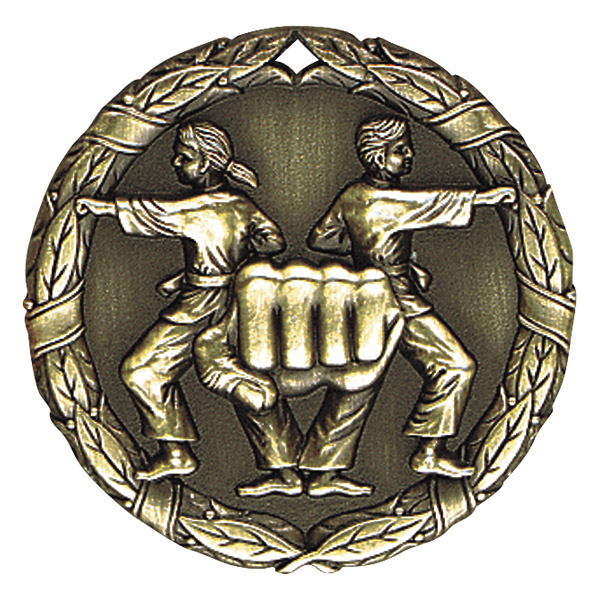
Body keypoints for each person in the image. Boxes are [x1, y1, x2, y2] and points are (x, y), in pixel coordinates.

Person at [305, 115, 517, 480]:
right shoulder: (388, 202)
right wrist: (486, 198)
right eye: (400, 150)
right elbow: (430, 203)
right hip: (400, 301)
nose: (410, 156)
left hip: (368, 298)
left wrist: (373, 255)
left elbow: (321, 238)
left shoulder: (352, 196)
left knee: (357, 383)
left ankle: (320, 468)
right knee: (456, 366)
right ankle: (428, 452)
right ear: (377, 156)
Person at [76, 120, 287, 482]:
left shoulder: (194, 209)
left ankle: (178, 453)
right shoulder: (242, 204)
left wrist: (100, 208)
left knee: (144, 370)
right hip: (231, 303)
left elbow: (155, 212)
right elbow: (273, 241)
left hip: (202, 308)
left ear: (207, 162)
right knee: (245, 382)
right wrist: (228, 264)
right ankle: (284, 469)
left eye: (184, 157)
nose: (174, 163)